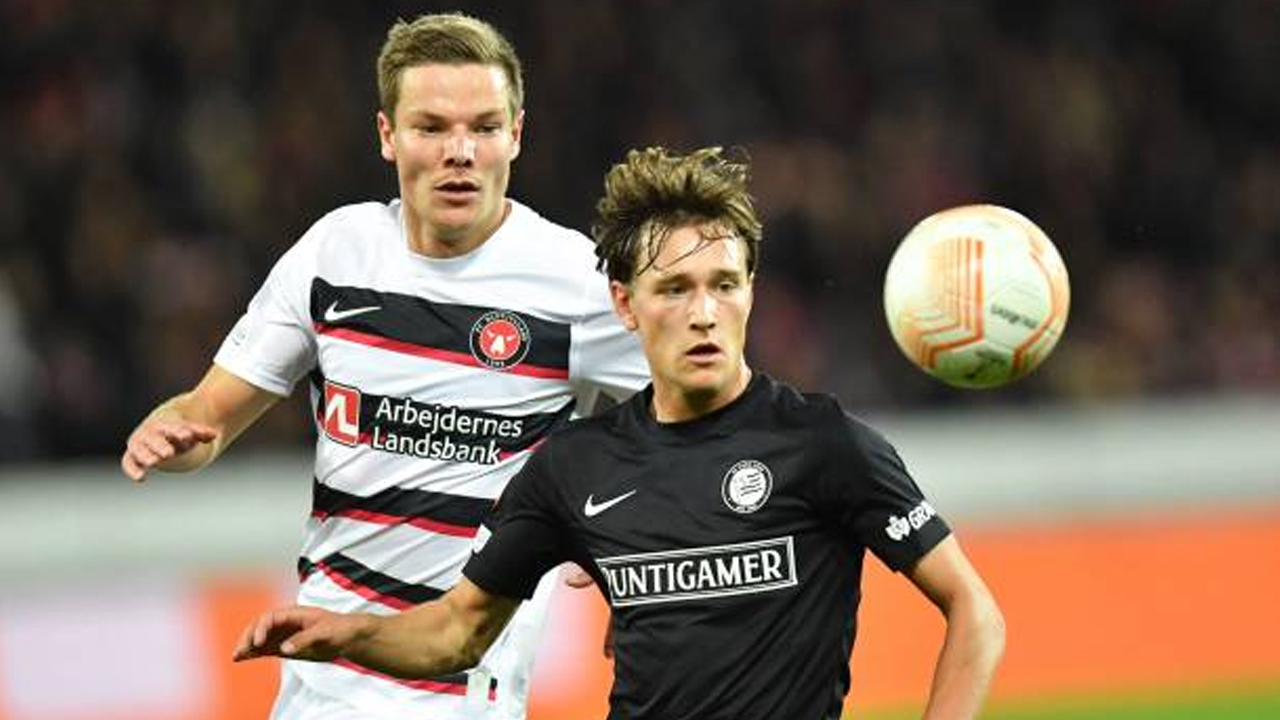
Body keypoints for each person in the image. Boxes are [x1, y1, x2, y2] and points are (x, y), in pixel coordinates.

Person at [232, 146, 1006, 720]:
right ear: (626, 304)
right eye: (674, 288)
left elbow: (975, 611)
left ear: (750, 294)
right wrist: (344, 634)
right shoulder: (575, 465)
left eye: (723, 285)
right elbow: (456, 633)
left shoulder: (824, 445)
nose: (703, 312)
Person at [120, 13, 647, 720]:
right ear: (387, 135)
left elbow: (696, 415)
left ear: (515, 135)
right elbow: (204, 416)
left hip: (467, 693)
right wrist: (173, 431)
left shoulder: (575, 282)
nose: (460, 151)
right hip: (320, 686)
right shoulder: (334, 255)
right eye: (431, 127)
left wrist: (636, 549)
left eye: (484, 127)